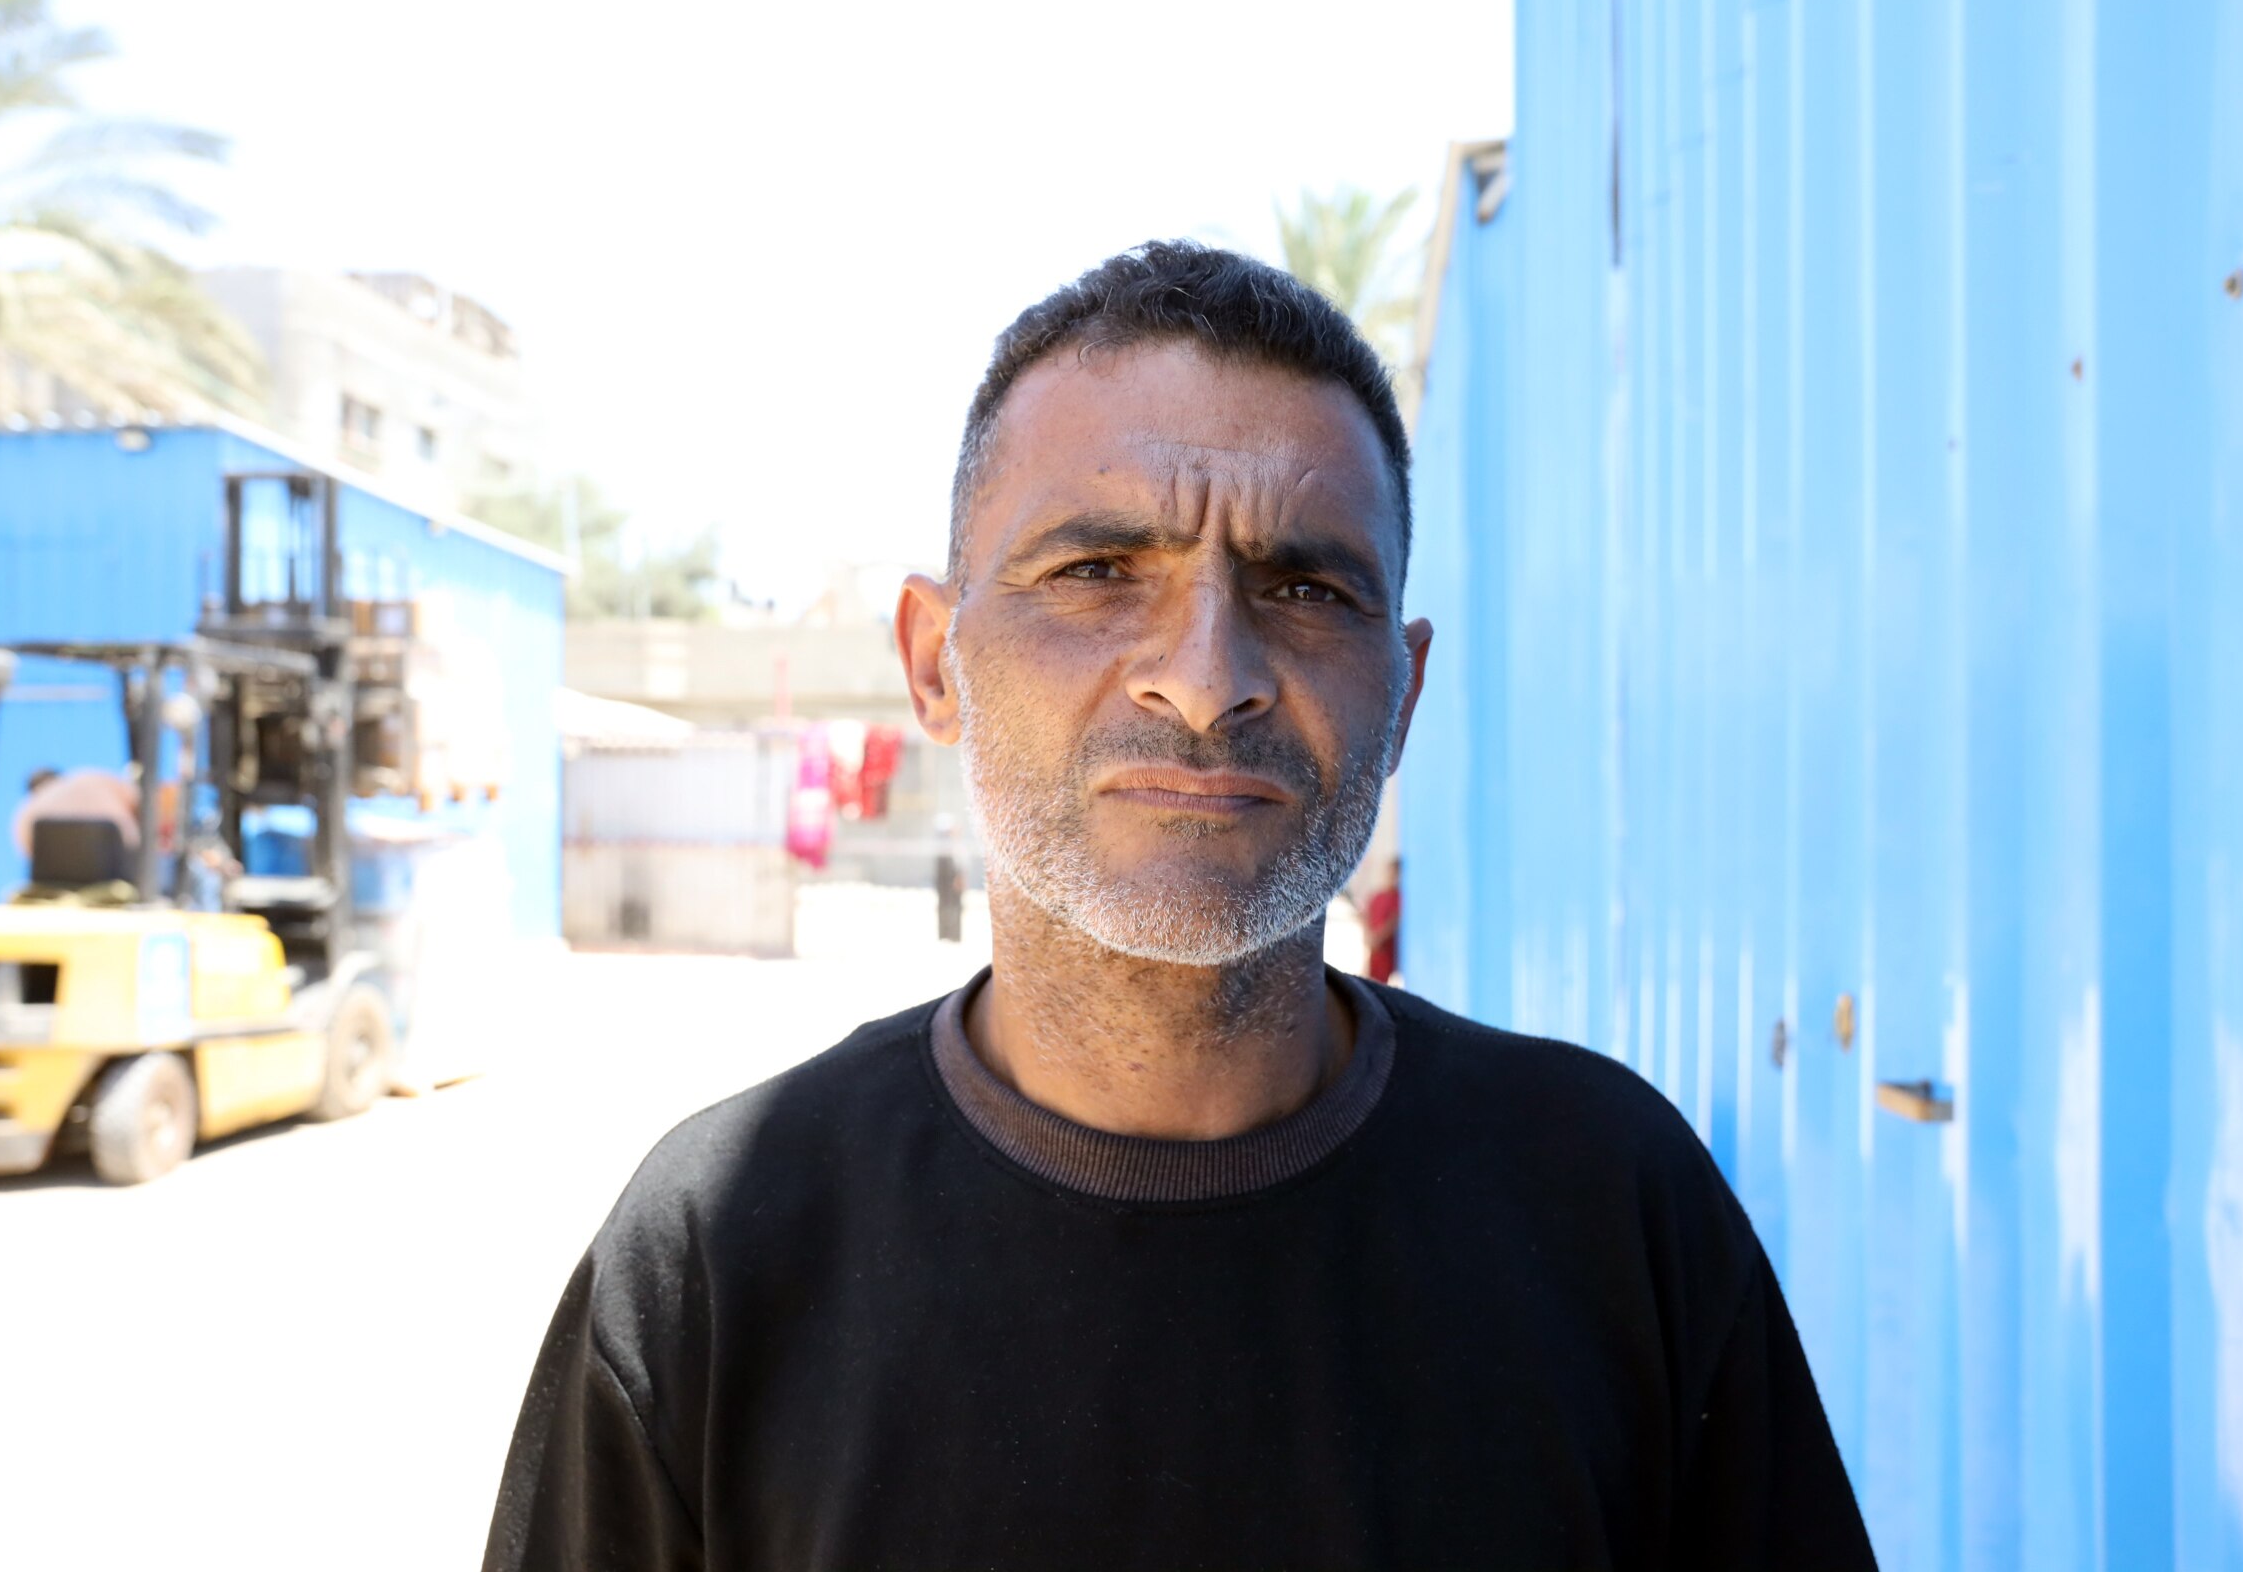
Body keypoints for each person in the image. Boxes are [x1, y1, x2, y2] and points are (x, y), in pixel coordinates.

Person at [485, 242, 1875, 1570]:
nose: (1208, 676)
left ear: (1404, 694)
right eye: (1098, 573)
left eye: (1306, 586)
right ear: (935, 666)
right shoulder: (718, 1253)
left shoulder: (1611, 1204)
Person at [1364, 854, 1402, 985]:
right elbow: (1367, 917)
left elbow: (1395, 920)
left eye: (1396, 874)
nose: (1393, 878)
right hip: (1376, 953)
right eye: (1391, 873)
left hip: (1390, 953)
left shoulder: (1400, 898)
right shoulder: (1377, 897)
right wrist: (1369, 938)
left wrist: (1379, 938)